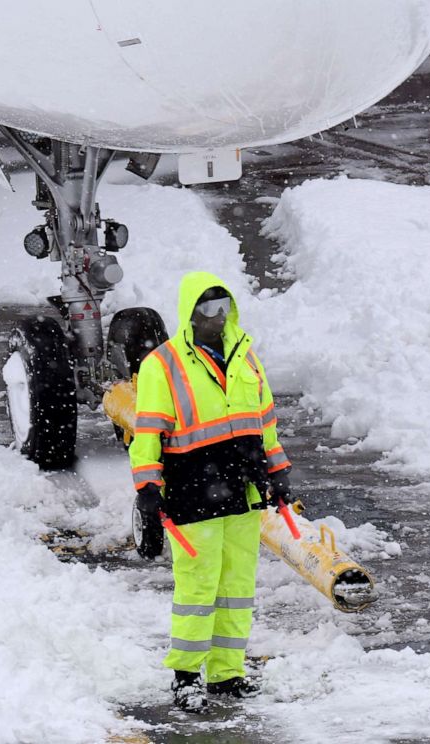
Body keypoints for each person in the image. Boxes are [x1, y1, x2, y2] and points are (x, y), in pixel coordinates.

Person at [129, 271, 293, 712]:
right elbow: (147, 432)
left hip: (242, 487)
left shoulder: (246, 355)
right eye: (206, 309)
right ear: (189, 312)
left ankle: (227, 674)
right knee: (198, 587)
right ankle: (186, 677)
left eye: (223, 308)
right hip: (191, 489)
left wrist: (278, 470)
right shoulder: (161, 364)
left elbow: (266, 421)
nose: (216, 318)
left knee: (237, 585)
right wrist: (147, 486)